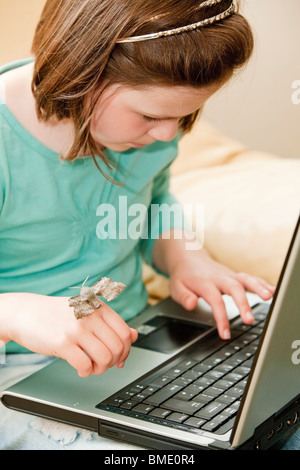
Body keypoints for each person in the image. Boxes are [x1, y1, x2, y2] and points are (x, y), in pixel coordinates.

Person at [0, 0, 297, 450]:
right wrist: (17, 313)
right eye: (152, 116)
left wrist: (185, 257)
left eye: (184, 116)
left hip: (140, 339)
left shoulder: (142, 137)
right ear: (79, 73)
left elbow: (152, 205)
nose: (170, 135)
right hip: (20, 372)